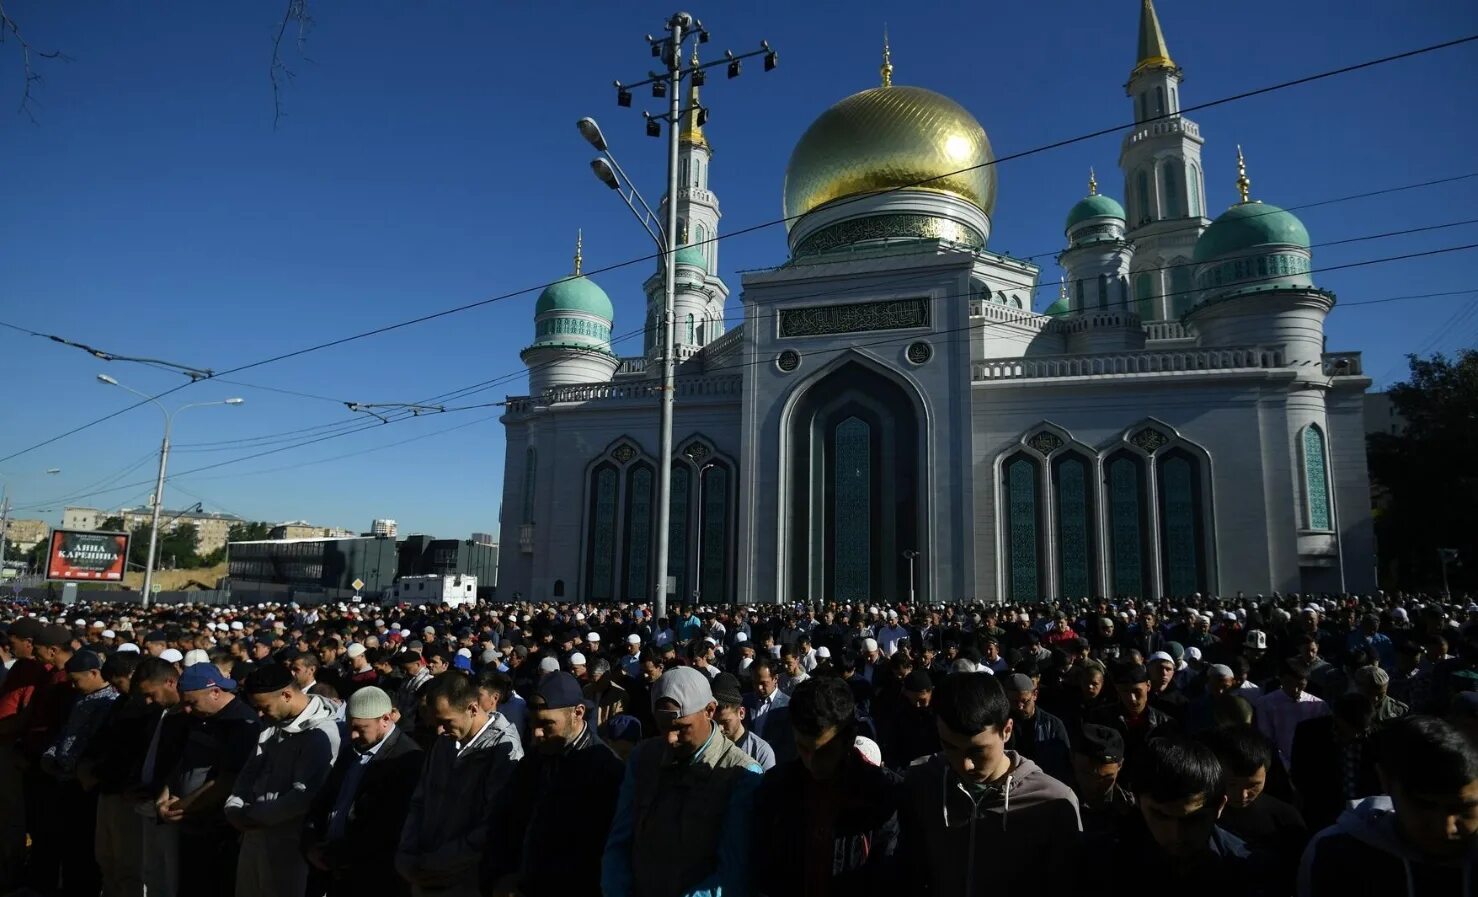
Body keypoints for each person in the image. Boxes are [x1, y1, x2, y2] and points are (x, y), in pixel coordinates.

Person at [896, 672, 1082, 895]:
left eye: (977, 751)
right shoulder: (923, 781)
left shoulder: (1054, 802)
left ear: (1007, 730)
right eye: (950, 747)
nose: (965, 765)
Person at [601, 666, 761, 897]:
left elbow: (732, 874)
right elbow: (619, 843)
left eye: (681, 728)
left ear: (709, 710)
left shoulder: (741, 774)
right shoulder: (643, 758)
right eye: (663, 727)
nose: (670, 738)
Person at [751, 676, 902, 897]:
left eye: (823, 751)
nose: (812, 762)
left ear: (849, 738)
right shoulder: (775, 788)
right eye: (803, 748)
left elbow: (888, 877)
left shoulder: (883, 795)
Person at [481, 671, 624, 897]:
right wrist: (501, 876)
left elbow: (594, 855)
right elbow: (506, 819)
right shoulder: (535, 759)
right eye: (533, 723)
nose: (537, 733)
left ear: (578, 713)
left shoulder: (605, 770)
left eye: (547, 724)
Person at [1299, 715, 1478, 895]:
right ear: (1385, 781)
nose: (1446, 827)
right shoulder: (1336, 854)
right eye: (1425, 805)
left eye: (1463, 808)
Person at [396, 670, 523, 897]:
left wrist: (439, 862)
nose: (439, 730)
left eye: (446, 722)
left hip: (465, 882)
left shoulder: (503, 750)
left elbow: (493, 825)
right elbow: (420, 800)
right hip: (424, 874)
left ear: (472, 709)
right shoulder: (444, 742)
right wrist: (406, 855)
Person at [226, 664, 342, 897]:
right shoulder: (272, 722)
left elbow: (304, 797)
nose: (259, 714)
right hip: (254, 831)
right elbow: (250, 769)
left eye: (263, 707)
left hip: (288, 843)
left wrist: (253, 815)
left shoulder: (321, 734)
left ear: (287, 695)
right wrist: (234, 806)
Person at [1098, 736, 1267, 896]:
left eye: (1193, 819)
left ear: (1219, 807)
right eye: (1161, 816)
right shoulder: (1103, 863)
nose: (1176, 834)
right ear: (1138, 802)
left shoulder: (1248, 869)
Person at [302, 686, 423, 897]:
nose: (353, 734)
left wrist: (339, 855)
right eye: (350, 726)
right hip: (329, 870)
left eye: (361, 727)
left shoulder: (407, 760)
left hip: (368, 877)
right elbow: (325, 799)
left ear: (385, 719)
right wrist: (311, 842)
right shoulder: (352, 749)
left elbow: (387, 827)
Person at [163, 662, 262, 897]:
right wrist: (164, 796)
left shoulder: (240, 723)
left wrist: (180, 806)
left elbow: (227, 779)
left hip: (215, 831)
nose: (187, 709)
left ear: (215, 692)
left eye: (192, 702)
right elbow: (180, 761)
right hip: (189, 824)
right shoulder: (199, 716)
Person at [1202, 724, 1308, 881]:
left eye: (1253, 785)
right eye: (1231, 784)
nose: (1242, 794)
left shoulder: (1286, 819)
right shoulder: (1200, 816)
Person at [1290, 691, 1384, 832]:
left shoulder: (1376, 738)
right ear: (1338, 719)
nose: (1358, 735)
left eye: (1363, 731)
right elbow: (1299, 772)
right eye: (1353, 729)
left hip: (1364, 815)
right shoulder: (1309, 733)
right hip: (1322, 812)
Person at [1255, 658, 1330, 773]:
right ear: (1280, 679)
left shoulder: (1318, 705)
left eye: (1300, 685)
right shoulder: (1265, 704)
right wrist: (1287, 766)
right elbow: (1267, 740)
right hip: (1277, 768)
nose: (1295, 689)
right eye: (1288, 683)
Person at [1001, 672, 1073, 785]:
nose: (1020, 706)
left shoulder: (1053, 725)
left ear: (1035, 694)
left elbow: (1062, 765)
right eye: (1014, 702)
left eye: (1025, 701)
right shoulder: (1001, 724)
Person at [1070, 722, 1134, 837]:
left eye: (1106, 777)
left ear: (1120, 765)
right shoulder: (1056, 806)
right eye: (1086, 774)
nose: (1094, 785)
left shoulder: (1133, 809)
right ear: (1072, 760)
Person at [712, 672, 776, 771]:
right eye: (714, 722)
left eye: (725, 722)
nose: (719, 728)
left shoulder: (760, 751)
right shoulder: (709, 747)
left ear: (741, 713)